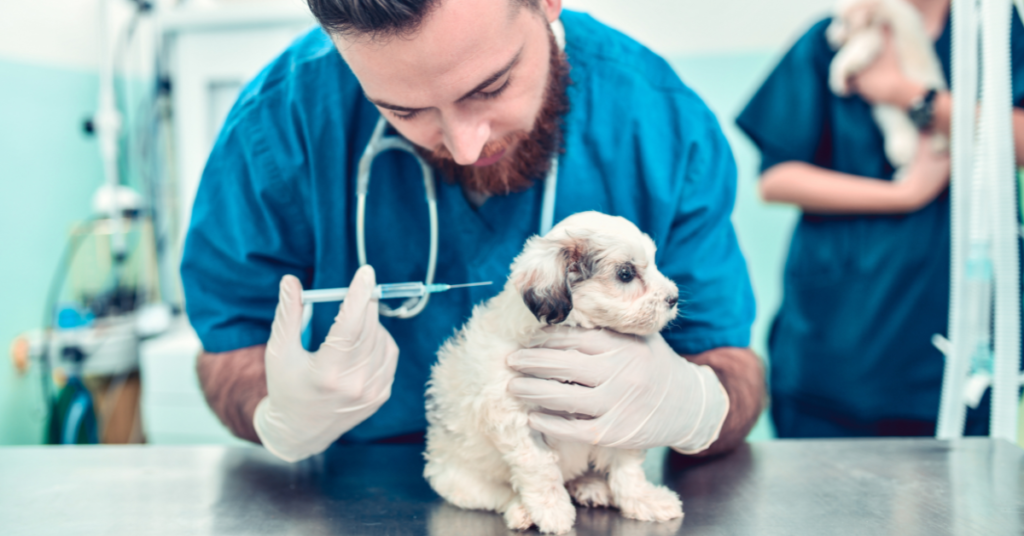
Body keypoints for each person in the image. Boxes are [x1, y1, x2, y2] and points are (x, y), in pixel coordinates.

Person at [182, 0, 764, 464]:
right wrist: (278, 410)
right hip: (356, 493)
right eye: (404, 111)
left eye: (489, 88)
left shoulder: (659, 123)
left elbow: (734, 366)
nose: (465, 146)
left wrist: (693, 405)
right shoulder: (281, 122)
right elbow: (227, 353)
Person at [737, 0, 1024, 438]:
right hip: (838, 342)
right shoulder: (830, 39)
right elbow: (776, 178)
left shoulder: (992, 34)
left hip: (950, 340)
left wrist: (906, 93)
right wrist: (904, 194)